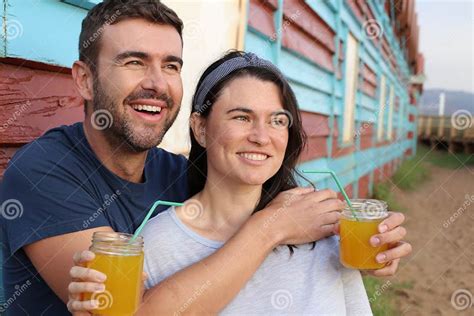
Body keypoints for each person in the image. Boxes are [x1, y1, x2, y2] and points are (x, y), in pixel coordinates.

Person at [0, 1, 410, 315]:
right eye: (134, 62)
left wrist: (365, 245)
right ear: (85, 79)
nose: (156, 83)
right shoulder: (43, 173)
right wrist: (272, 228)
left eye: (171, 65)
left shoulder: (178, 174)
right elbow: (131, 310)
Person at [67, 51, 408, 315]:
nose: (261, 137)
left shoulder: (323, 233)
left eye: (277, 121)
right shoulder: (154, 246)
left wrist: (377, 245)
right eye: (241, 117)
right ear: (200, 128)